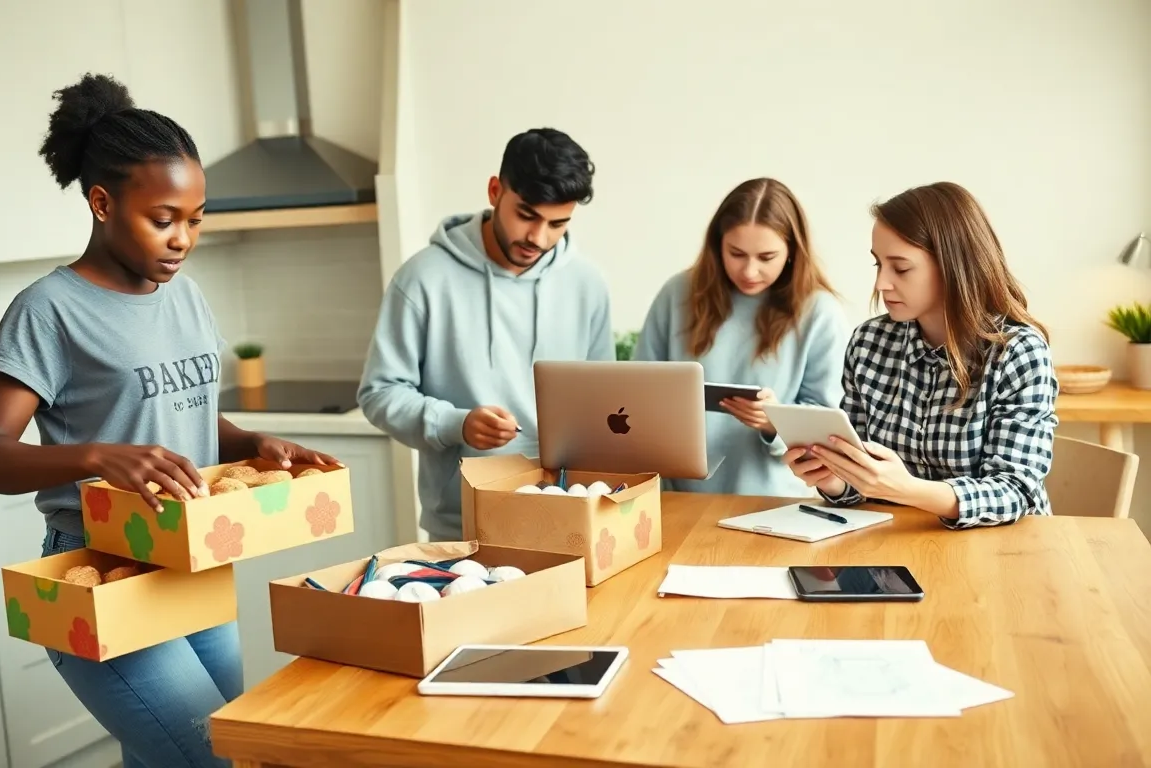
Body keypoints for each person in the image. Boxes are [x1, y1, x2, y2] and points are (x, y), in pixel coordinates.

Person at [0, 73, 338, 768]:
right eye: (163, 219)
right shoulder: (49, 310)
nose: (182, 239)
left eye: (195, 219)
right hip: (103, 572)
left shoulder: (186, 298)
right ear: (102, 203)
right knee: (217, 756)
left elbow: (184, 414)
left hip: (192, 564)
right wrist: (98, 456)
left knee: (211, 750)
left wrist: (253, 444)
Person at [357, 128, 614, 541]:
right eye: (527, 215)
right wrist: (456, 424)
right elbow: (379, 393)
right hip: (463, 526)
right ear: (495, 191)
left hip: (570, 516)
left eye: (557, 224)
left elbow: (606, 400)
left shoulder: (587, 283)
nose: (539, 237)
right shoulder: (423, 278)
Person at [784, 181, 1058, 529]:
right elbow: (859, 484)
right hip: (898, 544)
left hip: (1004, 552)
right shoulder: (868, 342)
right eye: (878, 265)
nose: (882, 283)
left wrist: (910, 490)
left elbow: (1014, 491)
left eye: (900, 268)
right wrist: (833, 479)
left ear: (953, 265)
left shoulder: (1018, 352)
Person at [633, 178, 849, 497]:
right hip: (677, 497)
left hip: (774, 504)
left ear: (791, 251)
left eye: (766, 257)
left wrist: (775, 421)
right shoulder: (677, 294)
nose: (749, 271)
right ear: (717, 244)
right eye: (736, 253)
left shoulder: (820, 313)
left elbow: (831, 429)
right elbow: (639, 391)